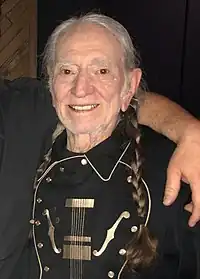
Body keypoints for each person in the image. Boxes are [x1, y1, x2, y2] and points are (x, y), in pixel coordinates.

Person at [1, 15, 200, 279]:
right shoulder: (34, 150)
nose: (80, 89)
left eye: (102, 71)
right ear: (52, 83)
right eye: (67, 71)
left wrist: (190, 130)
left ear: (130, 86)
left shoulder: (171, 174)